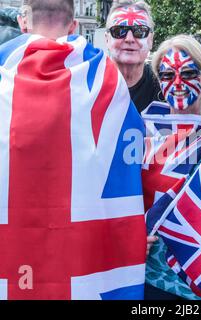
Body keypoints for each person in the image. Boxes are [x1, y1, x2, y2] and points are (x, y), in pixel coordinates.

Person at [0, 0, 147, 300]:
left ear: (23, 22)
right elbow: (133, 152)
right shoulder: (106, 79)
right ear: (74, 26)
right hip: (81, 259)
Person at [143, 34, 201, 300]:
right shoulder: (140, 132)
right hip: (150, 277)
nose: (178, 83)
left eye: (189, 72)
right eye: (168, 74)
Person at [105, 0, 162, 113]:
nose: (129, 39)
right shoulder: (88, 83)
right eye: (119, 31)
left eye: (140, 31)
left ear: (151, 40)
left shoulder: (165, 85)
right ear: (107, 39)